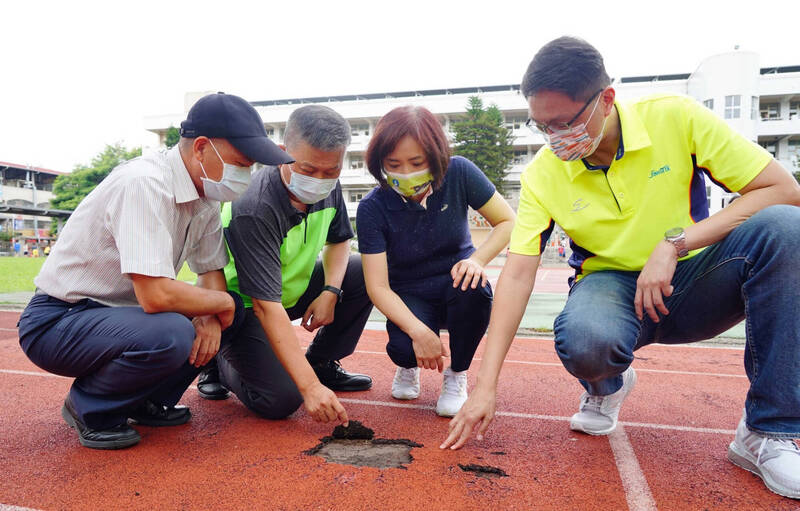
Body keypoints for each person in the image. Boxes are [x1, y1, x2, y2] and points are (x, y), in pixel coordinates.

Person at [442, 37, 800, 500]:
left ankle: (766, 432)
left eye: (563, 123)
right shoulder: (542, 174)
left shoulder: (675, 117)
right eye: (542, 126)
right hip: (609, 286)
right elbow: (517, 274)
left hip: (696, 273)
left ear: (605, 99)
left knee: (788, 229)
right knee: (585, 339)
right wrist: (484, 387)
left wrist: (674, 244)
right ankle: (606, 384)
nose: (554, 139)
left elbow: (782, 189)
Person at [17, 92, 293, 450]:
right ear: (201, 148)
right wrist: (219, 303)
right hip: (60, 320)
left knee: (228, 316)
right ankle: (90, 408)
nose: (246, 174)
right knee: (173, 330)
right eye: (241, 162)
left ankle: (147, 400)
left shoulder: (206, 197)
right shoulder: (144, 183)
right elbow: (156, 294)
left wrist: (215, 312)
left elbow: (210, 271)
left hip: (122, 318)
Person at [197, 104, 373, 424]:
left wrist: (331, 291)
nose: (320, 180)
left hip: (288, 290)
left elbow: (339, 241)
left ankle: (322, 362)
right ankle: (221, 363)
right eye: (308, 169)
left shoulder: (327, 186)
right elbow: (265, 306)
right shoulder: (254, 206)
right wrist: (309, 388)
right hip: (243, 305)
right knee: (281, 399)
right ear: (282, 154)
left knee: (360, 272)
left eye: (331, 170)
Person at [356, 106, 515, 417]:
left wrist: (477, 260)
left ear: (436, 156)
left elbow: (508, 222)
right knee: (403, 348)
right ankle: (407, 367)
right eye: (394, 164)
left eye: (417, 163)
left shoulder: (460, 173)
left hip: (455, 281)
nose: (406, 173)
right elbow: (377, 287)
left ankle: (456, 374)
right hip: (409, 292)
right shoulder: (372, 208)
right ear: (380, 164)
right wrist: (419, 332)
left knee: (476, 289)